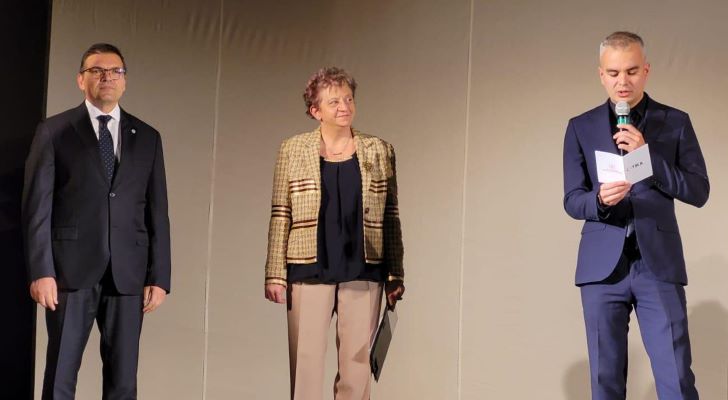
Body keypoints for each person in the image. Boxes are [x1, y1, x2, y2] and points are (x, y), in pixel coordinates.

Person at [563, 31, 709, 400]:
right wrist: (599, 200)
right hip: (602, 270)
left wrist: (648, 158)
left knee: (676, 380)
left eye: (631, 71)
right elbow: (572, 199)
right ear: (601, 75)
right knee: (605, 382)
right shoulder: (581, 126)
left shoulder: (674, 121)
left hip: (656, 265)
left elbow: (698, 191)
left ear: (646, 70)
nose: (622, 82)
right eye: (613, 73)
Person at [22, 43, 171, 400]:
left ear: (125, 80)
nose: (107, 77)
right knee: (61, 375)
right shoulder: (55, 131)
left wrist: (160, 276)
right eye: (97, 71)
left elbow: (157, 211)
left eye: (115, 71)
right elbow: (37, 208)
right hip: (69, 272)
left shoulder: (147, 137)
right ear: (81, 80)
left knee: (123, 380)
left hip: (128, 273)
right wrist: (41, 271)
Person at [264, 66, 405, 399]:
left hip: (364, 268)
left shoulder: (380, 150)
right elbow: (281, 213)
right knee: (306, 370)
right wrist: (274, 274)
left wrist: (395, 274)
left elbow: (390, 216)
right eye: (334, 102)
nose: (344, 107)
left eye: (348, 99)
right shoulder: (292, 149)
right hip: (309, 269)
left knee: (357, 373)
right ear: (316, 111)